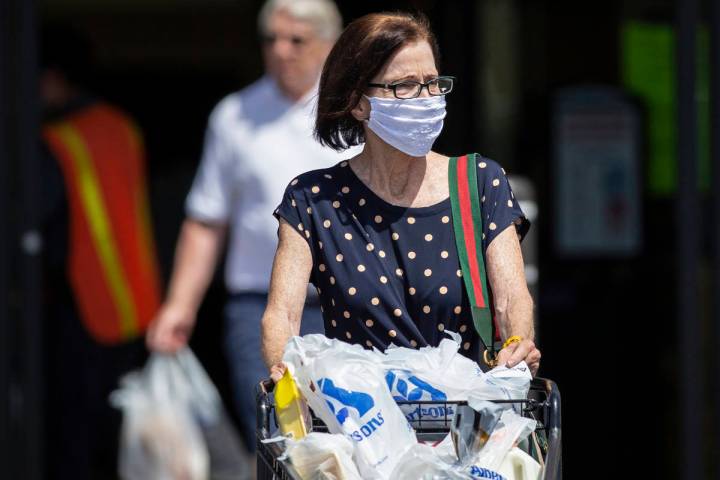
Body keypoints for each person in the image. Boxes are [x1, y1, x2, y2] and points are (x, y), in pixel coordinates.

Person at [262, 12, 542, 377]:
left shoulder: (477, 184)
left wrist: (516, 346)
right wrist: (284, 374)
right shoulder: (313, 200)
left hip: (464, 419)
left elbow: (510, 299)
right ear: (358, 102)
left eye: (432, 83)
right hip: (360, 420)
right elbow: (281, 316)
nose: (426, 98)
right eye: (405, 85)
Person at [145, 0, 354, 452]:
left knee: (349, 439)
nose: (281, 50)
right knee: (277, 438)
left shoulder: (354, 113)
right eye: (271, 39)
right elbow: (206, 219)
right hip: (258, 308)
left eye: (296, 39)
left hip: (346, 306)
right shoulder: (234, 115)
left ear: (330, 45)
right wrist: (180, 305)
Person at [39, 26, 162, 479]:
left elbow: (41, 225)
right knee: (118, 437)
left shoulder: (54, 141)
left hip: (81, 305)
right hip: (136, 302)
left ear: (53, 79)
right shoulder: (121, 127)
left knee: (74, 438)